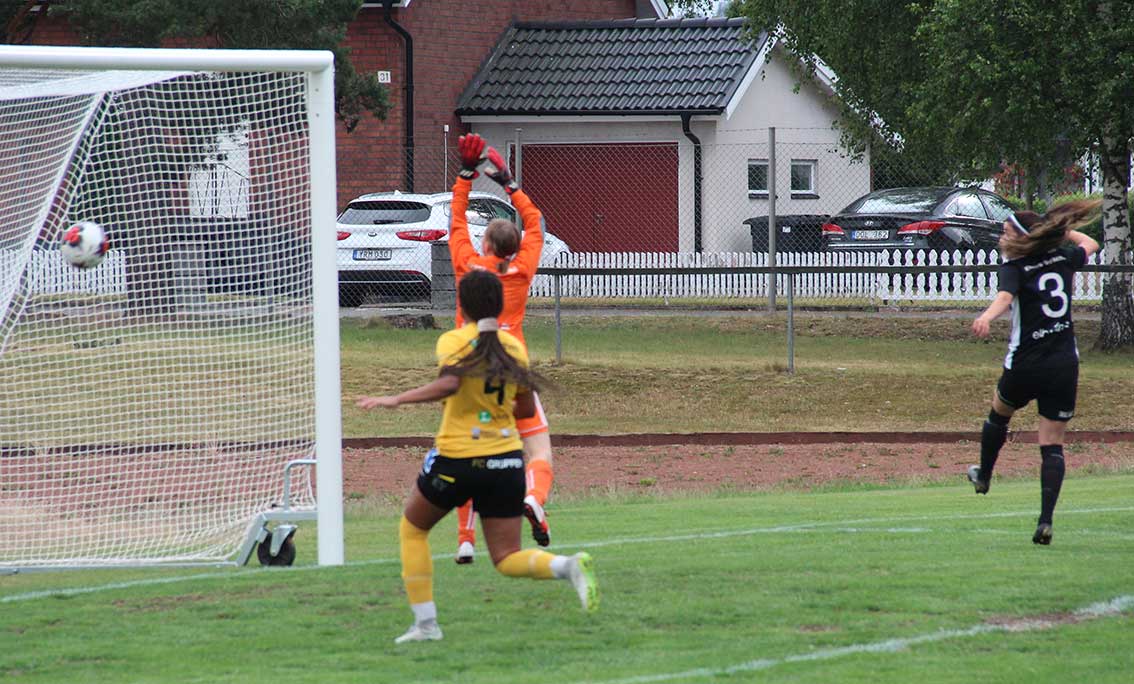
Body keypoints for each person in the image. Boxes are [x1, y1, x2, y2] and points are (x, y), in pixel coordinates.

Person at [357, 269, 598, 644]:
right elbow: (523, 409)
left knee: (413, 530)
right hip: (506, 461)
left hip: (458, 458)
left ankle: (426, 625)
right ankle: (567, 567)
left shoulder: (453, 340)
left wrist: (397, 398)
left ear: (462, 305)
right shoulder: (513, 347)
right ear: (499, 306)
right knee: (506, 556)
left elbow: (451, 383)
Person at [448, 133, 556, 564]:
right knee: (538, 449)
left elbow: (456, 220)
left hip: (471, 369)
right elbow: (535, 222)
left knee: (466, 452)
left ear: (486, 246)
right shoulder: (522, 270)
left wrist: (465, 175)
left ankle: (465, 539)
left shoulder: (467, 265)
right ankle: (533, 497)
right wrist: (510, 184)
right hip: (513, 369)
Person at [966, 199, 1101, 545]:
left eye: (1006, 230)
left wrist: (985, 317)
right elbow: (1091, 243)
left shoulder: (1016, 265)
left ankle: (984, 475)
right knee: (1052, 444)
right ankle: (1045, 521)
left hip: (1026, 361)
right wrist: (1060, 230)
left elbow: (1004, 298)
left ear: (1023, 237)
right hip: (1063, 365)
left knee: (999, 412)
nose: (1001, 236)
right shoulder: (1063, 258)